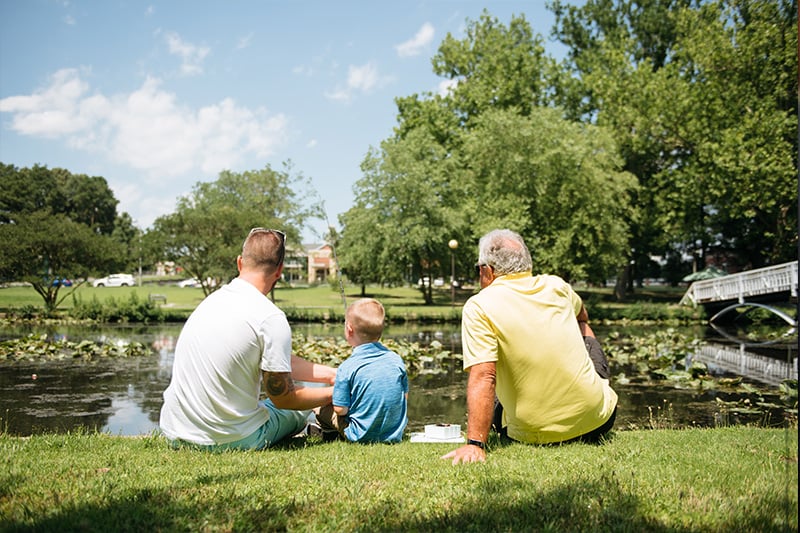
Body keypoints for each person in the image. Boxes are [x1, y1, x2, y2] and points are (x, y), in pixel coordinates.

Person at [443, 229, 618, 465]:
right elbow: (582, 316)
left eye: (478, 269)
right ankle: (589, 397)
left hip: (535, 435)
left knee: (494, 392)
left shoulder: (479, 306)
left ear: (487, 270)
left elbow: (484, 376)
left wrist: (475, 444)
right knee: (583, 328)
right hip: (599, 423)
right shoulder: (557, 285)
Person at [159, 228, 337, 451]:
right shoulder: (270, 317)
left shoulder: (210, 302)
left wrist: (332, 375)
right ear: (279, 270)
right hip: (231, 440)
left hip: (176, 433)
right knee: (299, 409)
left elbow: (278, 360)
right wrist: (334, 392)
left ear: (240, 262)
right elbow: (284, 399)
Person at [316, 298, 408, 443]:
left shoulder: (347, 367)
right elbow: (404, 398)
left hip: (360, 436)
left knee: (319, 408)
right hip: (394, 434)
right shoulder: (396, 360)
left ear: (349, 329)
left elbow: (341, 410)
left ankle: (329, 435)